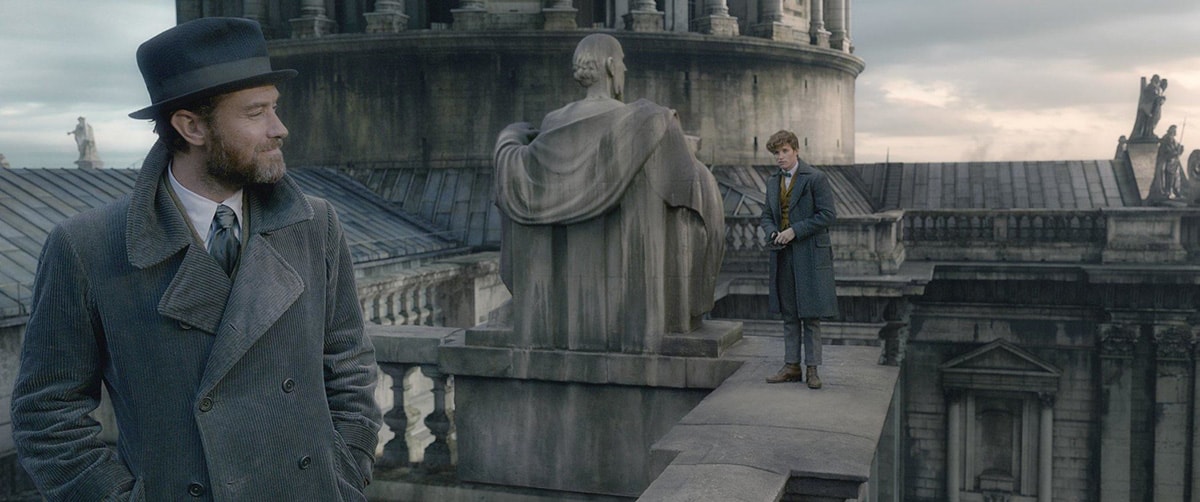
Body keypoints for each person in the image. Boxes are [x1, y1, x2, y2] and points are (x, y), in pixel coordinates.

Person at [12, 18, 381, 501]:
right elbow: (47, 413)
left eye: (274, 107)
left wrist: (345, 470)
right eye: (256, 113)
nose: (280, 129)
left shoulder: (314, 224)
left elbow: (349, 363)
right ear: (191, 126)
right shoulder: (88, 246)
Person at [493, 33, 724, 352]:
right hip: (630, 306)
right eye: (623, 64)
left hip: (568, 313)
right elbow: (690, 184)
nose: (625, 70)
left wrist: (510, 137)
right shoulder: (647, 122)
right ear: (612, 66)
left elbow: (520, 170)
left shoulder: (552, 123)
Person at [761, 130, 838, 388]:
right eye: (776, 153)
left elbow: (827, 215)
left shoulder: (815, 178)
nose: (780, 157)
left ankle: (812, 370)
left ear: (795, 150)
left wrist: (795, 230)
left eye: (784, 151)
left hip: (810, 255)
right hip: (783, 255)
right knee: (789, 313)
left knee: (811, 314)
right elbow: (766, 216)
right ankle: (791, 366)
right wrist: (772, 232)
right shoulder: (773, 181)